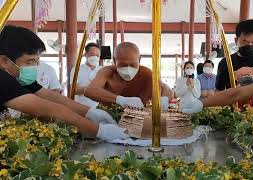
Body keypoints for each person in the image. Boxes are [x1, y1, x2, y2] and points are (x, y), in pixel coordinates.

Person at [0, 25, 129, 141]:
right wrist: (99, 130)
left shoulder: (18, 77)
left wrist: (90, 112)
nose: (35, 66)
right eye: (30, 62)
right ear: (4, 61)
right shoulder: (2, 79)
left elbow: (51, 96)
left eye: (37, 61)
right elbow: (44, 108)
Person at [84, 42, 174, 110]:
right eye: (122, 65)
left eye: (133, 65)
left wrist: (164, 99)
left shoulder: (146, 73)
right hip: (110, 118)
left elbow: (166, 88)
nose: (128, 69)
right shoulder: (107, 72)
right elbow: (89, 90)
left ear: (139, 60)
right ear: (115, 61)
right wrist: (120, 100)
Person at [215, 19, 253, 105]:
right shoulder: (226, 62)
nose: (250, 45)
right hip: (235, 114)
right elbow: (219, 90)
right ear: (236, 41)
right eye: (245, 42)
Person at [70, 43, 102, 107]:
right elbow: (74, 90)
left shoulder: (103, 70)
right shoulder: (76, 69)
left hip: (99, 108)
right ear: (85, 55)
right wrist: (94, 89)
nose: (95, 57)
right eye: (92, 54)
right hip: (80, 108)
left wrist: (83, 89)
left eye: (97, 55)